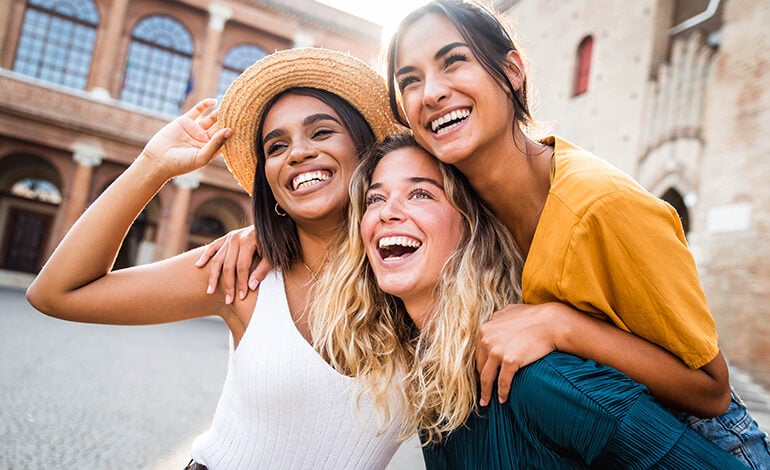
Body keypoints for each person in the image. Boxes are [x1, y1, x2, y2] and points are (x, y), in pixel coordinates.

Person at [385, 0, 769, 466]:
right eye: (410, 80)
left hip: (700, 443)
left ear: (512, 71)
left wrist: (560, 325)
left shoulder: (602, 205)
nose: (431, 93)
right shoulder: (461, 200)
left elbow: (710, 390)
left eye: (454, 61)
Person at [25, 47, 406, 470]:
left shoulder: (417, 278)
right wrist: (153, 165)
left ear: (367, 150)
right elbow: (57, 293)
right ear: (269, 180)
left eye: (321, 133)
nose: (297, 153)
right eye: (275, 146)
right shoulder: (242, 276)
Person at [311, 132, 745, 468]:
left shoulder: (543, 381)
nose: (388, 211)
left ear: (470, 226)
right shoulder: (433, 379)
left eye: (421, 193)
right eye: (375, 198)